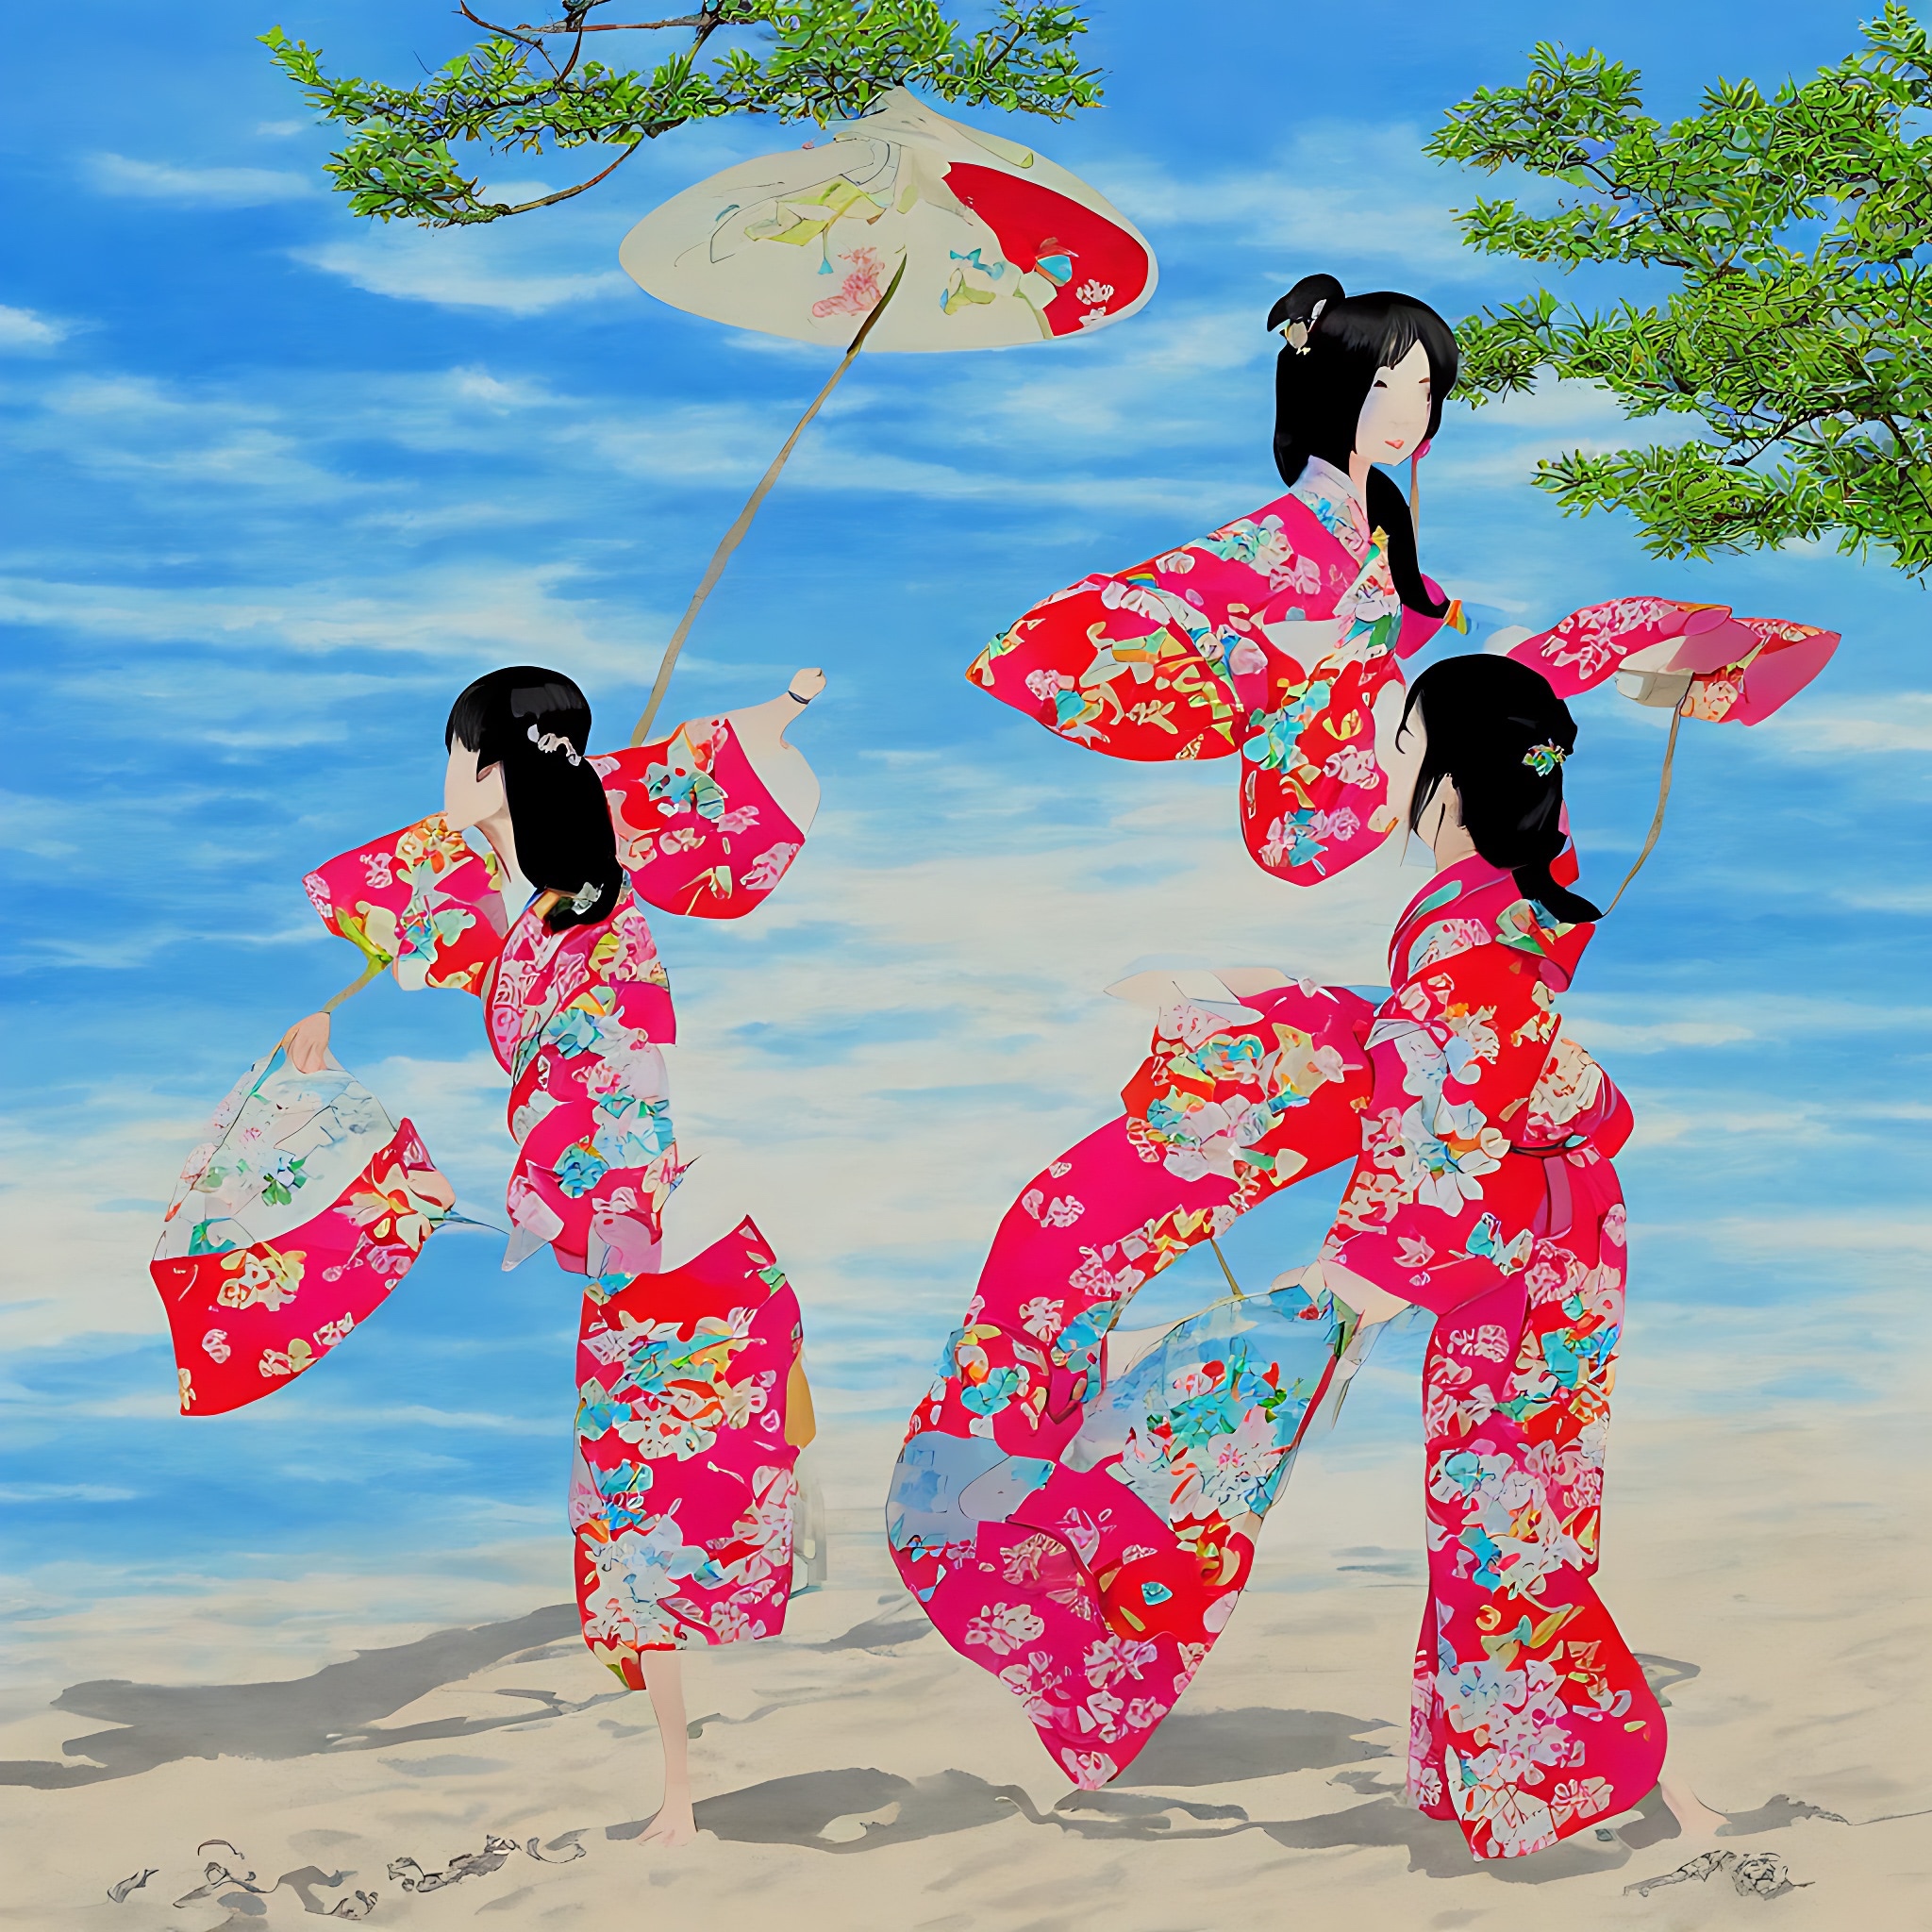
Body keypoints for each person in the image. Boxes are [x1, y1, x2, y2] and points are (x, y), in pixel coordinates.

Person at [890, 649, 1735, 1859]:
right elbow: (1413, 1045)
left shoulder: (1471, 939)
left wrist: (1350, 1283)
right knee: (1502, 1503)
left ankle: (1609, 1782)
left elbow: (1433, 1102)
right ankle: (1518, 1782)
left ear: (1447, 779)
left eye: (1399, 742)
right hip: (1537, 1225)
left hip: (1507, 1235)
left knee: (1495, 1508)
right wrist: (1233, 990)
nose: (1380, 762)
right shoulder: (1505, 894)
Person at [282, 663, 825, 1848]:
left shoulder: (604, 930)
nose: (441, 781)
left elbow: (624, 1092)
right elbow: (425, 906)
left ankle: (682, 1798)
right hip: (630, 1247)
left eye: (453, 754)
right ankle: (678, 1792)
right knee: (628, 1526)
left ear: (488, 766)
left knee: (647, 1524)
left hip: (668, 1255)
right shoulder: (531, 898)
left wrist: (558, 1214)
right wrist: (335, 1010)